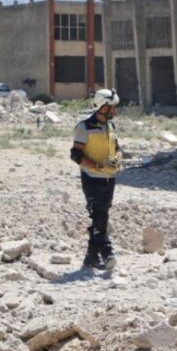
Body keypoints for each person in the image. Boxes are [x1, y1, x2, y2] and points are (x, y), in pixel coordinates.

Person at [70, 88, 122, 270]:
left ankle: (91, 258)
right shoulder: (84, 127)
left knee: (102, 217)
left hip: (109, 179)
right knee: (99, 215)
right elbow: (76, 155)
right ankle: (107, 253)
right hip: (92, 180)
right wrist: (98, 166)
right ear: (103, 107)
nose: (115, 111)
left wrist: (118, 158)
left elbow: (117, 148)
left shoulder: (111, 126)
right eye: (112, 107)